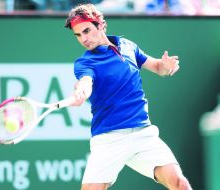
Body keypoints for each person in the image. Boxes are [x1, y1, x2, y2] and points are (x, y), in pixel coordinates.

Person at [65, 3, 192, 190]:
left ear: (101, 25)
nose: (84, 39)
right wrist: (81, 91)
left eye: (87, 31)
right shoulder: (85, 62)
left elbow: (158, 67)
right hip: (109, 138)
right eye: (78, 35)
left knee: (179, 183)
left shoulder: (128, 46)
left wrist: (166, 66)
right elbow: (86, 81)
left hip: (143, 133)